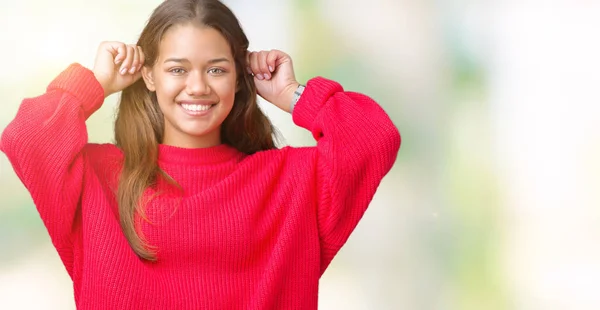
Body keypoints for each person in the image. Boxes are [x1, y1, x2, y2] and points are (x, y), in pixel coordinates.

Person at [0, 0, 400, 309]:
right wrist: (96, 82)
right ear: (149, 75)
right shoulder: (98, 179)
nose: (197, 87)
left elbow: (374, 138)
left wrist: (291, 92)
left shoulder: (291, 181)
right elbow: (26, 137)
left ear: (239, 77)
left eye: (216, 70)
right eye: (177, 69)